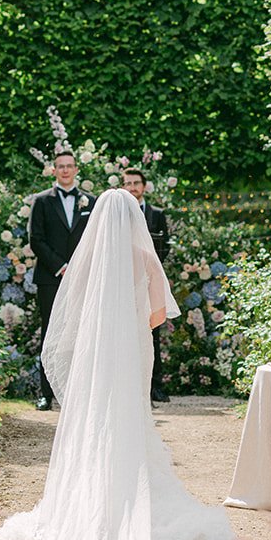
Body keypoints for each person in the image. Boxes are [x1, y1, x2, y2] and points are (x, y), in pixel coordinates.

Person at [0, 189, 240, 540]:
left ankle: (86, 497)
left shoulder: (87, 260)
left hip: (95, 357)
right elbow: (159, 316)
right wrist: (132, 321)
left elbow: (68, 315)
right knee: (129, 421)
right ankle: (129, 497)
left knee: (93, 423)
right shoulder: (145, 258)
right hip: (128, 352)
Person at [28, 151, 96, 410]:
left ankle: (79, 393)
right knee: (51, 334)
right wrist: (61, 266)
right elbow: (36, 239)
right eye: (60, 167)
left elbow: (95, 239)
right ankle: (46, 393)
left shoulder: (91, 201)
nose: (65, 170)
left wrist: (79, 268)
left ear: (76, 169)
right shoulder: (42, 201)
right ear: (54, 170)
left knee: (82, 333)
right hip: (51, 278)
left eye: (69, 166)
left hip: (83, 279)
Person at [123, 167, 171, 403]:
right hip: (126, 283)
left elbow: (165, 245)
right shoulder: (119, 215)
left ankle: (155, 386)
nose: (132, 187)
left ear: (144, 186)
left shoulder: (156, 214)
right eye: (127, 183)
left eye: (136, 183)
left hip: (146, 280)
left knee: (151, 335)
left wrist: (149, 270)